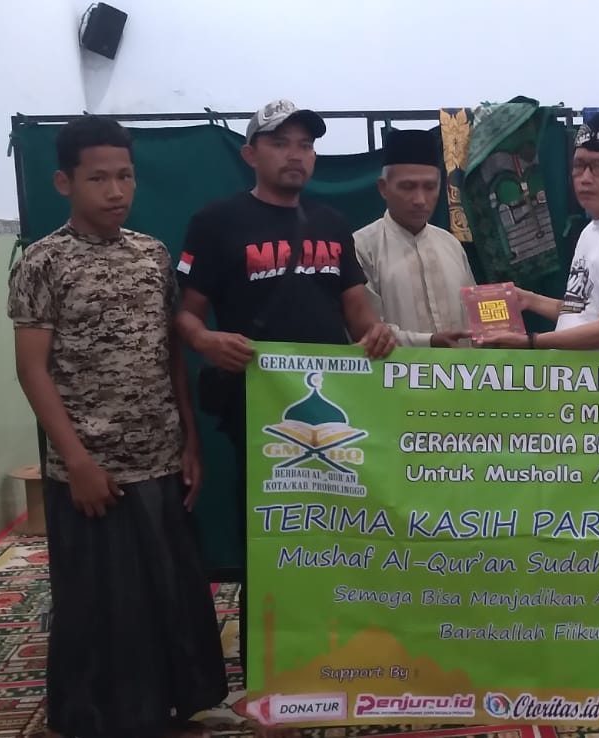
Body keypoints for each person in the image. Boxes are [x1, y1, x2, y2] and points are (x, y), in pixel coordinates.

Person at [173, 98, 395, 738]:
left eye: (305, 144)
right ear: (251, 153)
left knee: (338, 536)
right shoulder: (216, 222)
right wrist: (206, 340)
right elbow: (184, 313)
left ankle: (340, 662)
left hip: (341, 413)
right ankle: (269, 675)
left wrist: (375, 332)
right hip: (260, 411)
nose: (296, 154)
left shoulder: (331, 222)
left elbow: (356, 308)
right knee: (270, 541)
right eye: (280, 143)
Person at [7, 115, 226, 738]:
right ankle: (97, 717)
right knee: (101, 602)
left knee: (169, 591)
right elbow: (31, 370)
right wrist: (76, 461)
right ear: (64, 182)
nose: (115, 191)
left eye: (125, 176)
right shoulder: (43, 262)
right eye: (98, 178)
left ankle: (176, 705)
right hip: (90, 467)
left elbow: (169, 355)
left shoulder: (153, 255)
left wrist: (190, 441)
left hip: (159, 455)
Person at [481, 114, 599, 352]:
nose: (585, 178)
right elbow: (582, 312)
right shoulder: (593, 230)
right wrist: (530, 300)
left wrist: (532, 342)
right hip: (584, 375)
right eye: (579, 166)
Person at [353, 127, 473, 348]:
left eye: (430, 187)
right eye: (408, 187)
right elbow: (368, 331)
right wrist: (430, 342)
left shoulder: (451, 245)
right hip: (392, 371)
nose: (420, 199)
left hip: (461, 369)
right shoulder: (361, 247)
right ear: (383, 188)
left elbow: (474, 319)